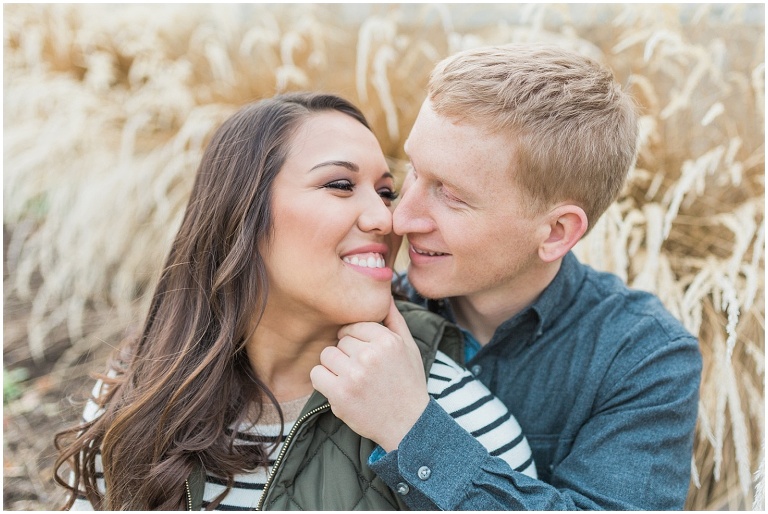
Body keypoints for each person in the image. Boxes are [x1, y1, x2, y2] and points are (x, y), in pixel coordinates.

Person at [53, 92, 536, 511]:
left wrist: (415, 433)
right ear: (242, 214)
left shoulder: (453, 415)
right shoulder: (143, 383)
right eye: (340, 185)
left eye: (385, 191)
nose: (386, 219)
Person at [311, 45, 703, 510]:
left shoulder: (643, 357)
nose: (402, 218)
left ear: (556, 232)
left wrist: (411, 429)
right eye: (412, 172)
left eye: (451, 195)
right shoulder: (357, 301)